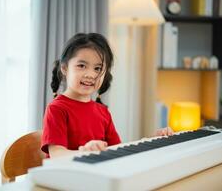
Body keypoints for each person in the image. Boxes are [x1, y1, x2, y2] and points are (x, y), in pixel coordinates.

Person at [41, 33, 173, 158]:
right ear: (64, 68)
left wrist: (150, 141)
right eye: (81, 65)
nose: (90, 74)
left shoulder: (102, 111)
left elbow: (117, 150)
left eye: (97, 68)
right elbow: (57, 154)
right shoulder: (56, 108)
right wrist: (84, 152)